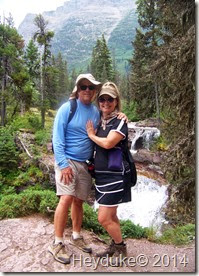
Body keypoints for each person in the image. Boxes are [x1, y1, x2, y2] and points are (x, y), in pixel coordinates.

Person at [48, 74, 127, 265]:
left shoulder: (95, 112)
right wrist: (63, 164)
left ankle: (76, 235)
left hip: (85, 164)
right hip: (67, 160)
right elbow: (57, 139)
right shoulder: (67, 108)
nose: (87, 90)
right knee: (66, 198)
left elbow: (110, 118)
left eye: (91, 88)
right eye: (83, 87)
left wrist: (122, 114)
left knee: (78, 201)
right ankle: (57, 243)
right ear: (77, 89)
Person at [86, 81, 132, 262]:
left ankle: (121, 248)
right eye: (102, 99)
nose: (106, 103)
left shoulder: (120, 122)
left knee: (103, 218)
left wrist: (91, 135)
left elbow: (107, 143)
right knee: (112, 215)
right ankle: (114, 245)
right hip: (102, 176)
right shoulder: (100, 120)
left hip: (116, 176)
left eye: (110, 99)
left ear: (116, 101)